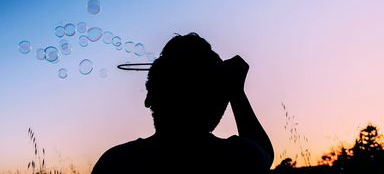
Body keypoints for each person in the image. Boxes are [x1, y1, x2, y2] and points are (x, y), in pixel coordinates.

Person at [92, 33, 274, 173]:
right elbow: (264, 152)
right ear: (219, 103)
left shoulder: (117, 162)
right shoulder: (239, 158)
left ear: (149, 97)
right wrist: (236, 91)